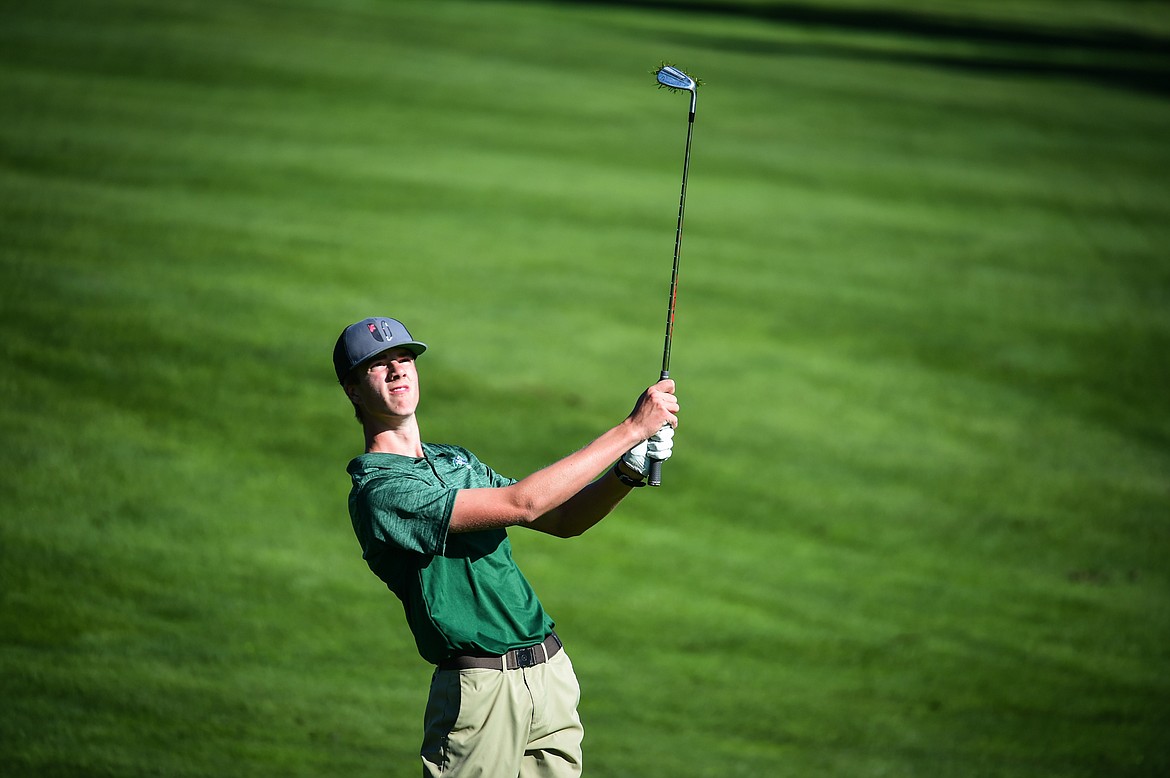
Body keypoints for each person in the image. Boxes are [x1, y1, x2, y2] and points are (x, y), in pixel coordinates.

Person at [333, 316, 679, 778]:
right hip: (480, 691)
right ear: (353, 390)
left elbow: (562, 519)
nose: (398, 371)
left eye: (404, 360)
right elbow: (526, 504)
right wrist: (630, 431)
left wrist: (626, 474)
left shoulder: (455, 460)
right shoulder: (380, 492)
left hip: (549, 672)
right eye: (379, 366)